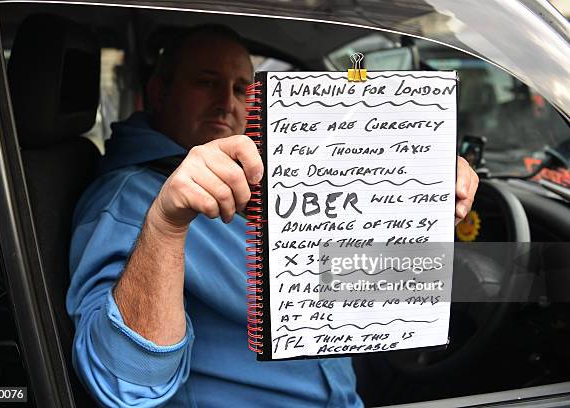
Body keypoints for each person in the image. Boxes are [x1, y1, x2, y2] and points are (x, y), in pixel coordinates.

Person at [67, 25, 479, 407]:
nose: (226, 102)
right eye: (205, 82)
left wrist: (416, 188)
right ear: (159, 93)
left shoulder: (261, 173)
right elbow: (124, 384)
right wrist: (166, 226)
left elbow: (334, 278)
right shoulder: (131, 198)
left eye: (241, 88)